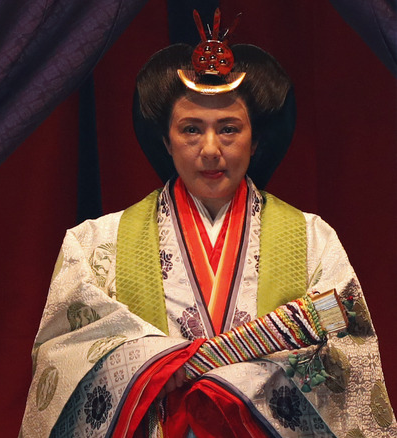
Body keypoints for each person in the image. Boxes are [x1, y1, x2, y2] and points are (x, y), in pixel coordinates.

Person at [20, 11, 397, 438]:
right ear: (166, 139)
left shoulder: (312, 240)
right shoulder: (95, 243)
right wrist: (155, 366)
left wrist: (237, 385)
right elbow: (65, 354)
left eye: (230, 129)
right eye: (191, 130)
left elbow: (345, 339)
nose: (211, 150)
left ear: (255, 141)